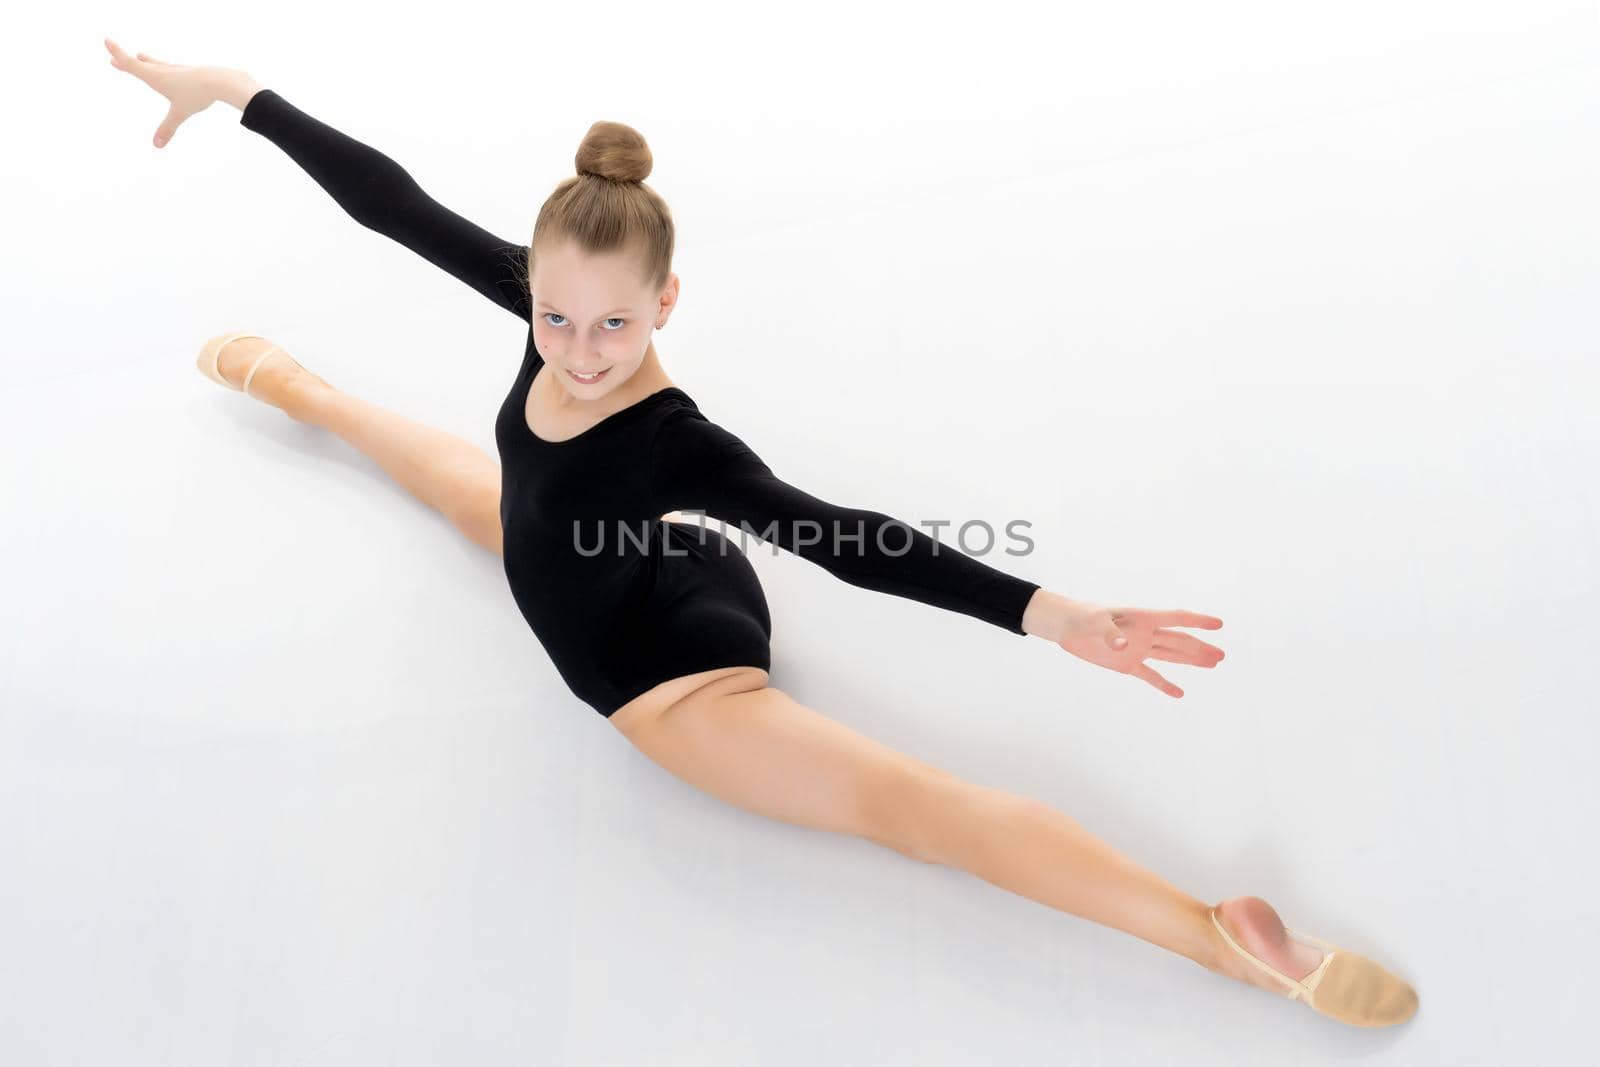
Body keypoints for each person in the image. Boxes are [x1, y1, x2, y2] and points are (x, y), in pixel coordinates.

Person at [105, 36, 1418, 1027]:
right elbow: (393, 206)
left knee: (909, 805)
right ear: (539, 286)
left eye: (615, 325)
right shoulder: (550, 297)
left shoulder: (679, 443)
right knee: (469, 493)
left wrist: (1056, 614)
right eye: (555, 321)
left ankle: (1219, 936)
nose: (578, 351)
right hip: (610, 555)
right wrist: (236, 94)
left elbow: (849, 536)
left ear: (665, 297)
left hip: (675, 672)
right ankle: (290, 382)